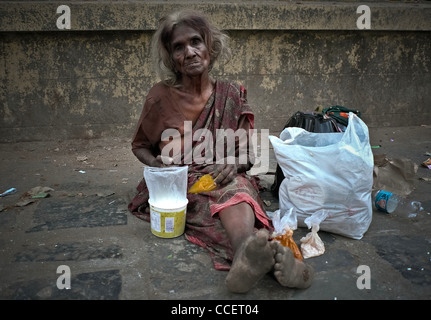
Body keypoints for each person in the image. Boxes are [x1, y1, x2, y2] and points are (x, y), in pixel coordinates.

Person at [128, 9, 313, 293]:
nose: (189, 52)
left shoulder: (231, 94)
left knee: (238, 190)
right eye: (179, 47)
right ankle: (270, 257)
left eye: (195, 42)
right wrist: (157, 164)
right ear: (171, 58)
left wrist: (236, 162)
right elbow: (140, 146)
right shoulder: (160, 97)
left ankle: (247, 257)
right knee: (207, 208)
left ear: (209, 48)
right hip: (183, 181)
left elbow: (249, 155)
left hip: (224, 176)